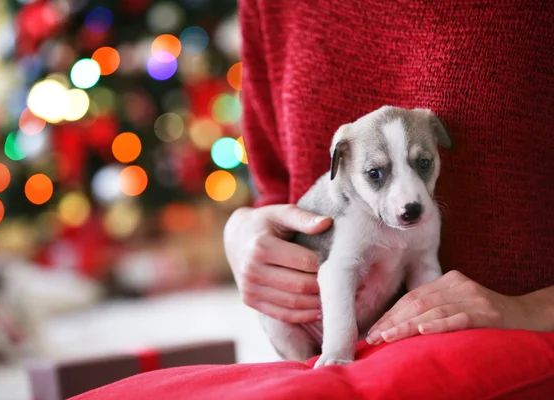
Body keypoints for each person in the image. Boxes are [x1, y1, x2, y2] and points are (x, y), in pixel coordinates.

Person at [224, 0, 554, 345]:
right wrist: (240, 233)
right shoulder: (269, 7)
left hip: (519, 352)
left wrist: (532, 309)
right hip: (339, 355)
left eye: (422, 164)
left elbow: (423, 266)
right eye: (375, 174)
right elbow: (274, 184)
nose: (408, 195)